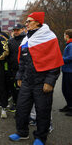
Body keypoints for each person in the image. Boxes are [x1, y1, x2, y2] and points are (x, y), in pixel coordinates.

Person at [9, 12, 64, 145]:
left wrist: (50, 82)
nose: (26, 24)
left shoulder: (49, 38)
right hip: (27, 81)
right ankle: (22, 132)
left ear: (38, 23)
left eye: (29, 21)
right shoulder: (26, 39)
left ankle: (40, 137)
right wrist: (19, 76)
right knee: (21, 108)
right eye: (26, 22)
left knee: (42, 111)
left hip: (42, 82)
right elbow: (22, 61)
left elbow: (55, 62)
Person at [7, 24, 26, 112]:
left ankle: (23, 106)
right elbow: (8, 55)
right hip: (13, 69)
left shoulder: (26, 40)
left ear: (22, 29)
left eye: (17, 30)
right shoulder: (10, 41)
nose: (16, 32)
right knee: (13, 88)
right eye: (14, 30)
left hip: (25, 70)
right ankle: (15, 103)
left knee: (23, 88)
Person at [60, 29, 72, 116]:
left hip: (70, 71)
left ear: (67, 36)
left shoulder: (71, 45)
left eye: (64, 35)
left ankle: (71, 107)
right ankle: (69, 105)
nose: (64, 37)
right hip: (66, 70)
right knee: (65, 89)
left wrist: (60, 59)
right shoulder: (68, 45)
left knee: (69, 90)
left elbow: (70, 57)